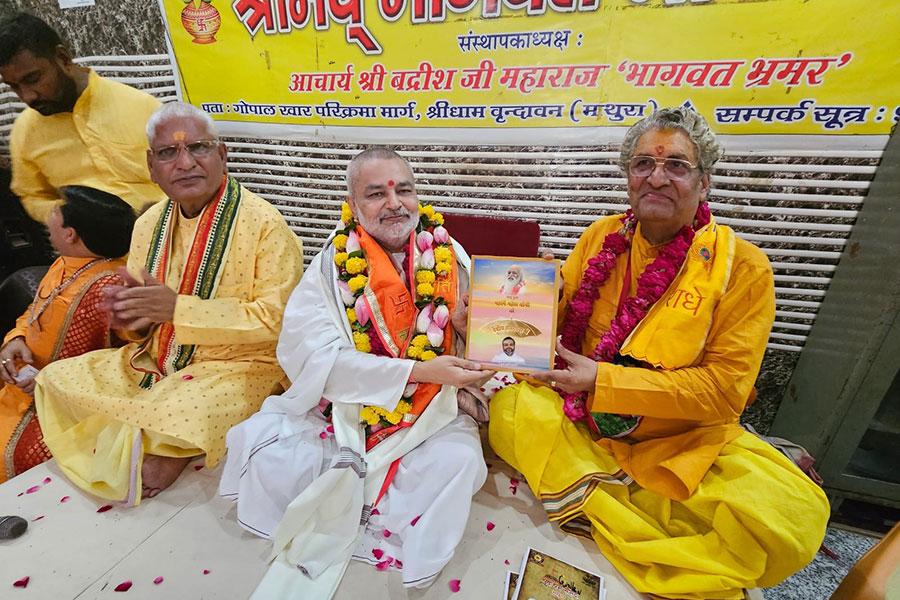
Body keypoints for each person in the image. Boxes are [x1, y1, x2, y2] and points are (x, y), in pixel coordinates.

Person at [488, 108, 829, 600]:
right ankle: (623, 502)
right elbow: (558, 325)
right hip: (580, 415)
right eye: (643, 163)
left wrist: (605, 381)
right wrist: (507, 311)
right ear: (628, 177)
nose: (657, 177)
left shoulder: (743, 268)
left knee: (787, 514)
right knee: (509, 408)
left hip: (679, 440)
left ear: (704, 182)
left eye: (677, 166)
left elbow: (724, 394)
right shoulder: (601, 236)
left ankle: (602, 497)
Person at [220, 148, 493, 598]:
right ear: (352, 202)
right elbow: (310, 354)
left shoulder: (449, 253)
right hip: (352, 406)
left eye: (404, 189)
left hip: (435, 409)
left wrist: (465, 332)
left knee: (459, 462)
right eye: (375, 194)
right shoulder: (332, 264)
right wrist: (420, 370)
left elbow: (473, 345)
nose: (394, 203)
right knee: (267, 446)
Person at [33, 102, 302, 503]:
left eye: (199, 148)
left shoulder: (265, 224)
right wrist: (131, 317)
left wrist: (178, 309)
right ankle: (157, 437)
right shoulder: (148, 224)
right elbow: (141, 329)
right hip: (158, 358)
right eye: (168, 153)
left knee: (188, 411)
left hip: (240, 367)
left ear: (222, 156)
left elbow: (276, 321)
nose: (185, 162)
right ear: (151, 167)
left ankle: (160, 439)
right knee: (54, 379)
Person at [0, 186, 135, 482]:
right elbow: (35, 311)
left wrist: (53, 383)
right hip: (17, 384)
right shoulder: (66, 262)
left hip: (60, 407)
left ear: (71, 233)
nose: (46, 220)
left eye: (54, 213)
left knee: (12, 456)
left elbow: (134, 358)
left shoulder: (113, 287)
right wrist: (16, 338)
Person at [0, 13, 165, 223]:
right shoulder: (25, 131)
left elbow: (187, 180)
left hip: (165, 246)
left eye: (33, 79)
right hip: (86, 254)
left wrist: (163, 214)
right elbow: (32, 195)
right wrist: (68, 215)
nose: (27, 96)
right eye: (14, 86)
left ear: (63, 58)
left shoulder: (143, 108)